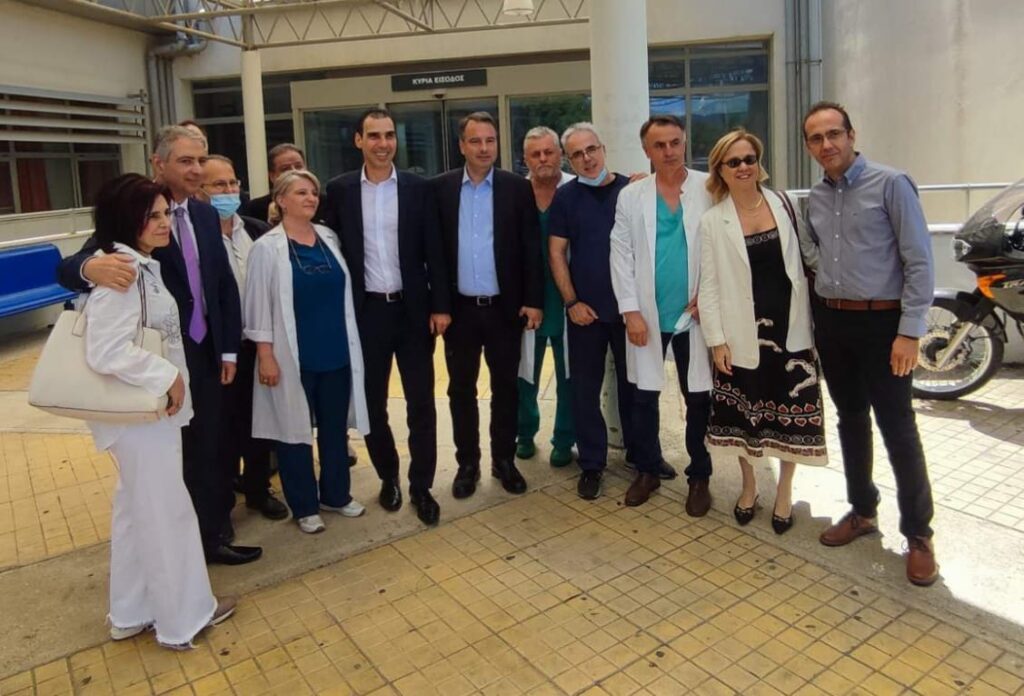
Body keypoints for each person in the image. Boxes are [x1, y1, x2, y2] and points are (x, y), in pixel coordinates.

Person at [58, 126, 260, 566]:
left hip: (208, 357)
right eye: (186, 161)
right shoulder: (138, 212)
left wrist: (228, 349)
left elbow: (221, 286)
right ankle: (176, 550)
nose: (196, 169)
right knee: (174, 458)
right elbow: (72, 265)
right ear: (159, 163)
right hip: (160, 364)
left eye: (200, 160)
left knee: (212, 448)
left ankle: (212, 536)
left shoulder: (204, 214)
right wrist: (91, 268)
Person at [83, 174, 235, 649]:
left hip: (144, 418)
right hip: (142, 418)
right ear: (126, 219)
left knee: (135, 513)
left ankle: (131, 612)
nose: (164, 222)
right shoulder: (122, 273)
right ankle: (182, 619)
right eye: (151, 216)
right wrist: (166, 376)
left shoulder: (139, 265)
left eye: (165, 213)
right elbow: (106, 350)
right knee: (168, 515)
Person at [801, 101, 938, 585]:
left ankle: (918, 533)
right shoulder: (816, 198)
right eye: (816, 138)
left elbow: (919, 261)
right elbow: (815, 256)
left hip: (884, 325)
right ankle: (862, 510)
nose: (827, 144)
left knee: (898, 426)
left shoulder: (891, 184)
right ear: (809, 146)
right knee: (851, 419)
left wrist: (909, 331)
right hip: (833, 323)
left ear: (851, 135)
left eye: (833, 134)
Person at [323, 108, 450, 526]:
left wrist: (440, 306)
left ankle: (421, 485)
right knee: (372, 403)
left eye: (389, 135)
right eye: (374, 135)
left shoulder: (418, 188)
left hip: (412, 313)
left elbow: (435, 250)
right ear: (358, 140)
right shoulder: (339, 190)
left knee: (421, 403)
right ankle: (389, 476)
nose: (383, 143)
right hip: (366, 314)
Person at [697, 129, 827, 534]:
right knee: (744, 416)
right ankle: (750, 485)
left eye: (749, 159)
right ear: (720, 169)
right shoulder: (712, 221)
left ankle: (784, 490)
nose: (743, 167)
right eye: (733, 162)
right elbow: (709, 286)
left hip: (791, 332)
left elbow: (810, 259)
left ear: (759, 163)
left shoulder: (785, 204)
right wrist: (716, 341)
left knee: (789, 419)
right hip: (741, 334)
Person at [244, 169, 370, 534]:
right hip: (292, 358)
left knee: (334, 430)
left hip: (337, 353)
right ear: (281, 200)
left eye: (313, 193)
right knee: (293, 432)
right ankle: (304, 505)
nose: (311, 198)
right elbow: (257, 307)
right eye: (301, 193)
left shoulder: (328, 237)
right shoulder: (266, 248)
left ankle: (336, 494)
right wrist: (266, 355)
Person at [433, 111, 544, 499]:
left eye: (490, 140)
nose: (484, 148)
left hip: (504, 310)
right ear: (461, 145)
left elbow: (531, 248)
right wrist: (439, 305)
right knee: (461, 390)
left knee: (506, 389)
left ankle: (504, 460)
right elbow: (434, 253)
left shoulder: (516, 188)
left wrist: (533, 301)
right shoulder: (441, 189)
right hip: (459, 312)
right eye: (475, 141)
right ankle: (468, 464)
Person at [609, 114, 714, 512]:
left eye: (675, 142)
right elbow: (620, 254)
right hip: (648, 314)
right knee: (643, 395)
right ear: (646, 151)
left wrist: (709, 297)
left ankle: (699, 475)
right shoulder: (632, 195)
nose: (668, 151)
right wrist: (630, 311)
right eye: (659, 145)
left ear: (685, 142)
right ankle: (648, 469)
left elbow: (724, 245)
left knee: (699, 397)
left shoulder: (710, 187)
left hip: (696, 314)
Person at [547, 122, 636, 500]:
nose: (587, 159)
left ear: (603, 148)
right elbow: (556, 253)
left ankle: (642, 457)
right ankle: (592, 464)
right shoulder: (565, 198)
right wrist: (572, 302)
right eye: (577, 154)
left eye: (591, 149)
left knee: (636, 388)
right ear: (569, 160)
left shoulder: (631, 191)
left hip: (630, 312)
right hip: (586, 314)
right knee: (584, 391)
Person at [197, 154, 289, 523]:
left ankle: (258, 489)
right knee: (221, 430)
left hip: (259, 344)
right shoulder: (193, 235)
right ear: (200, 191)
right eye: (219, 185)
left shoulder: (256, 230)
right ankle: (221, 507)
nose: (229, 191)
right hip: (218, 350)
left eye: (233, 183)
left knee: (258, 423)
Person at [516, 126, 576, 468]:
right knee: (524, 374)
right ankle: (524, 433)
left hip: (569, 297)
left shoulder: (576, 190)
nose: (543, 159)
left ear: (560, 154)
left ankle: (564, 439)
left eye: (549, 152)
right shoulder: (516, 193)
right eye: (535, 154)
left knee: (570, 377)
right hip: (529, 299)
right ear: (525, 159)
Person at [241, 143, 307, 223]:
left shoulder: (319, 202)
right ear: (272, 176)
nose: (294, 172)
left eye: (298, 166)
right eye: (285, 169)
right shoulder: (255, 209)